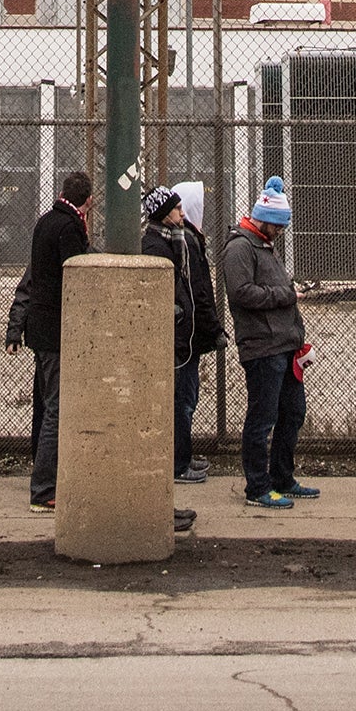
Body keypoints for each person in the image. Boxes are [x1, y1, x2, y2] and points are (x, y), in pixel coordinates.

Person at [225, 178, 316, 510]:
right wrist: (285, 295)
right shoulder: (240, 248)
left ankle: (282, 477)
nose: (280, 231)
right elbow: (240, 292)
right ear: (263, 218)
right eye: (277, 224)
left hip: (284, 344)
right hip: (263, 346)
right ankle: (257, 487)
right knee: (262, 418)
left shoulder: (263, 244)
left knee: (292, 412)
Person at [142, 184, 226, 486]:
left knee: (184, 398)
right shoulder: (161, 246)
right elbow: (190, 288)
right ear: (165, 213)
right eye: (177, 208)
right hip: (177, 337)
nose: (183, 212)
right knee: (179, 400)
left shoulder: (176, 240)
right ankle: (177, 462)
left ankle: (182, 457)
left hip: (183, 335)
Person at [23, 171, 94, 513]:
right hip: (56, 328)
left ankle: (44, 479)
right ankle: (43, 488)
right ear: (89, 201)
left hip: (40, 327)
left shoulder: (45, 222)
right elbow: (76, 274)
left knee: (49, 403)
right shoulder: (70, 228)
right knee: (56, 408)